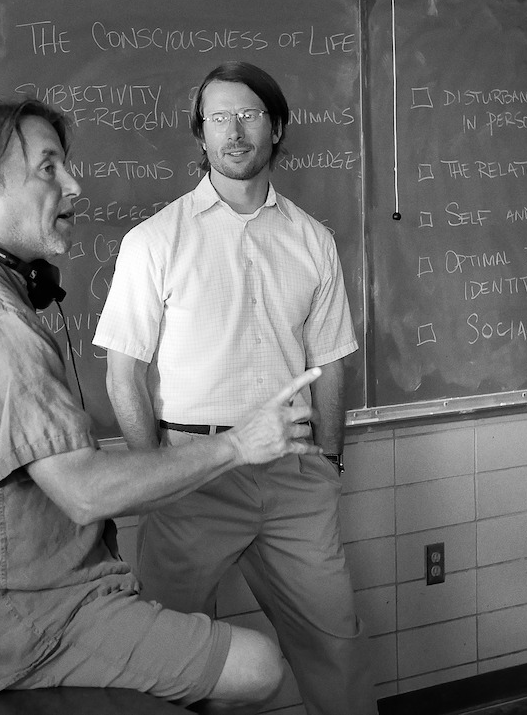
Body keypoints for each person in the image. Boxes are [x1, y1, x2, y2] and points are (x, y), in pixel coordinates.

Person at [0, 97, 326, 714]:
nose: (74, 185)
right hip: (11, 621)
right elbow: (83, 493)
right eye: (48, 168)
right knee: (260, 666)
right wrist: (240, 444)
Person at [93, 62, 378, 715]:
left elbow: (331, 362)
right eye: (218, 117)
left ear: (275, 127)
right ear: (201, 133)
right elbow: (123, 372)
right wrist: (157, 476)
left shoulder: (313, 240)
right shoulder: (155, 241)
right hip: (194, 473)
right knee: (166, 659)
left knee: (336, 645)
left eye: (248, 114)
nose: (234, 130)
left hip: (293, 474)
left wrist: (329, 464)